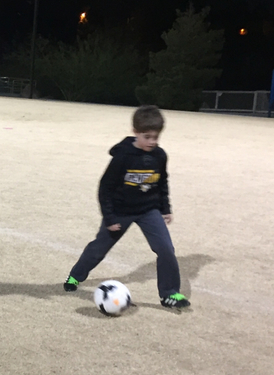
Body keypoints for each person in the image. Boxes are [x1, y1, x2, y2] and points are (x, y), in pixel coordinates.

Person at [64, 104, 190, 309]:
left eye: (156, 137)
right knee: (99, 249)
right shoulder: (123, 156)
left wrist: (165, 208)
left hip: (149, 210)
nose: (152, 141)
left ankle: (169, 293)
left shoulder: (160, 155)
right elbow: (105, 188)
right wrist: (110, 217)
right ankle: (75, 276)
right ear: (135, 132)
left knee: (166, 249)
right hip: (120, 211)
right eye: (147, 137)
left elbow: (162, 182)